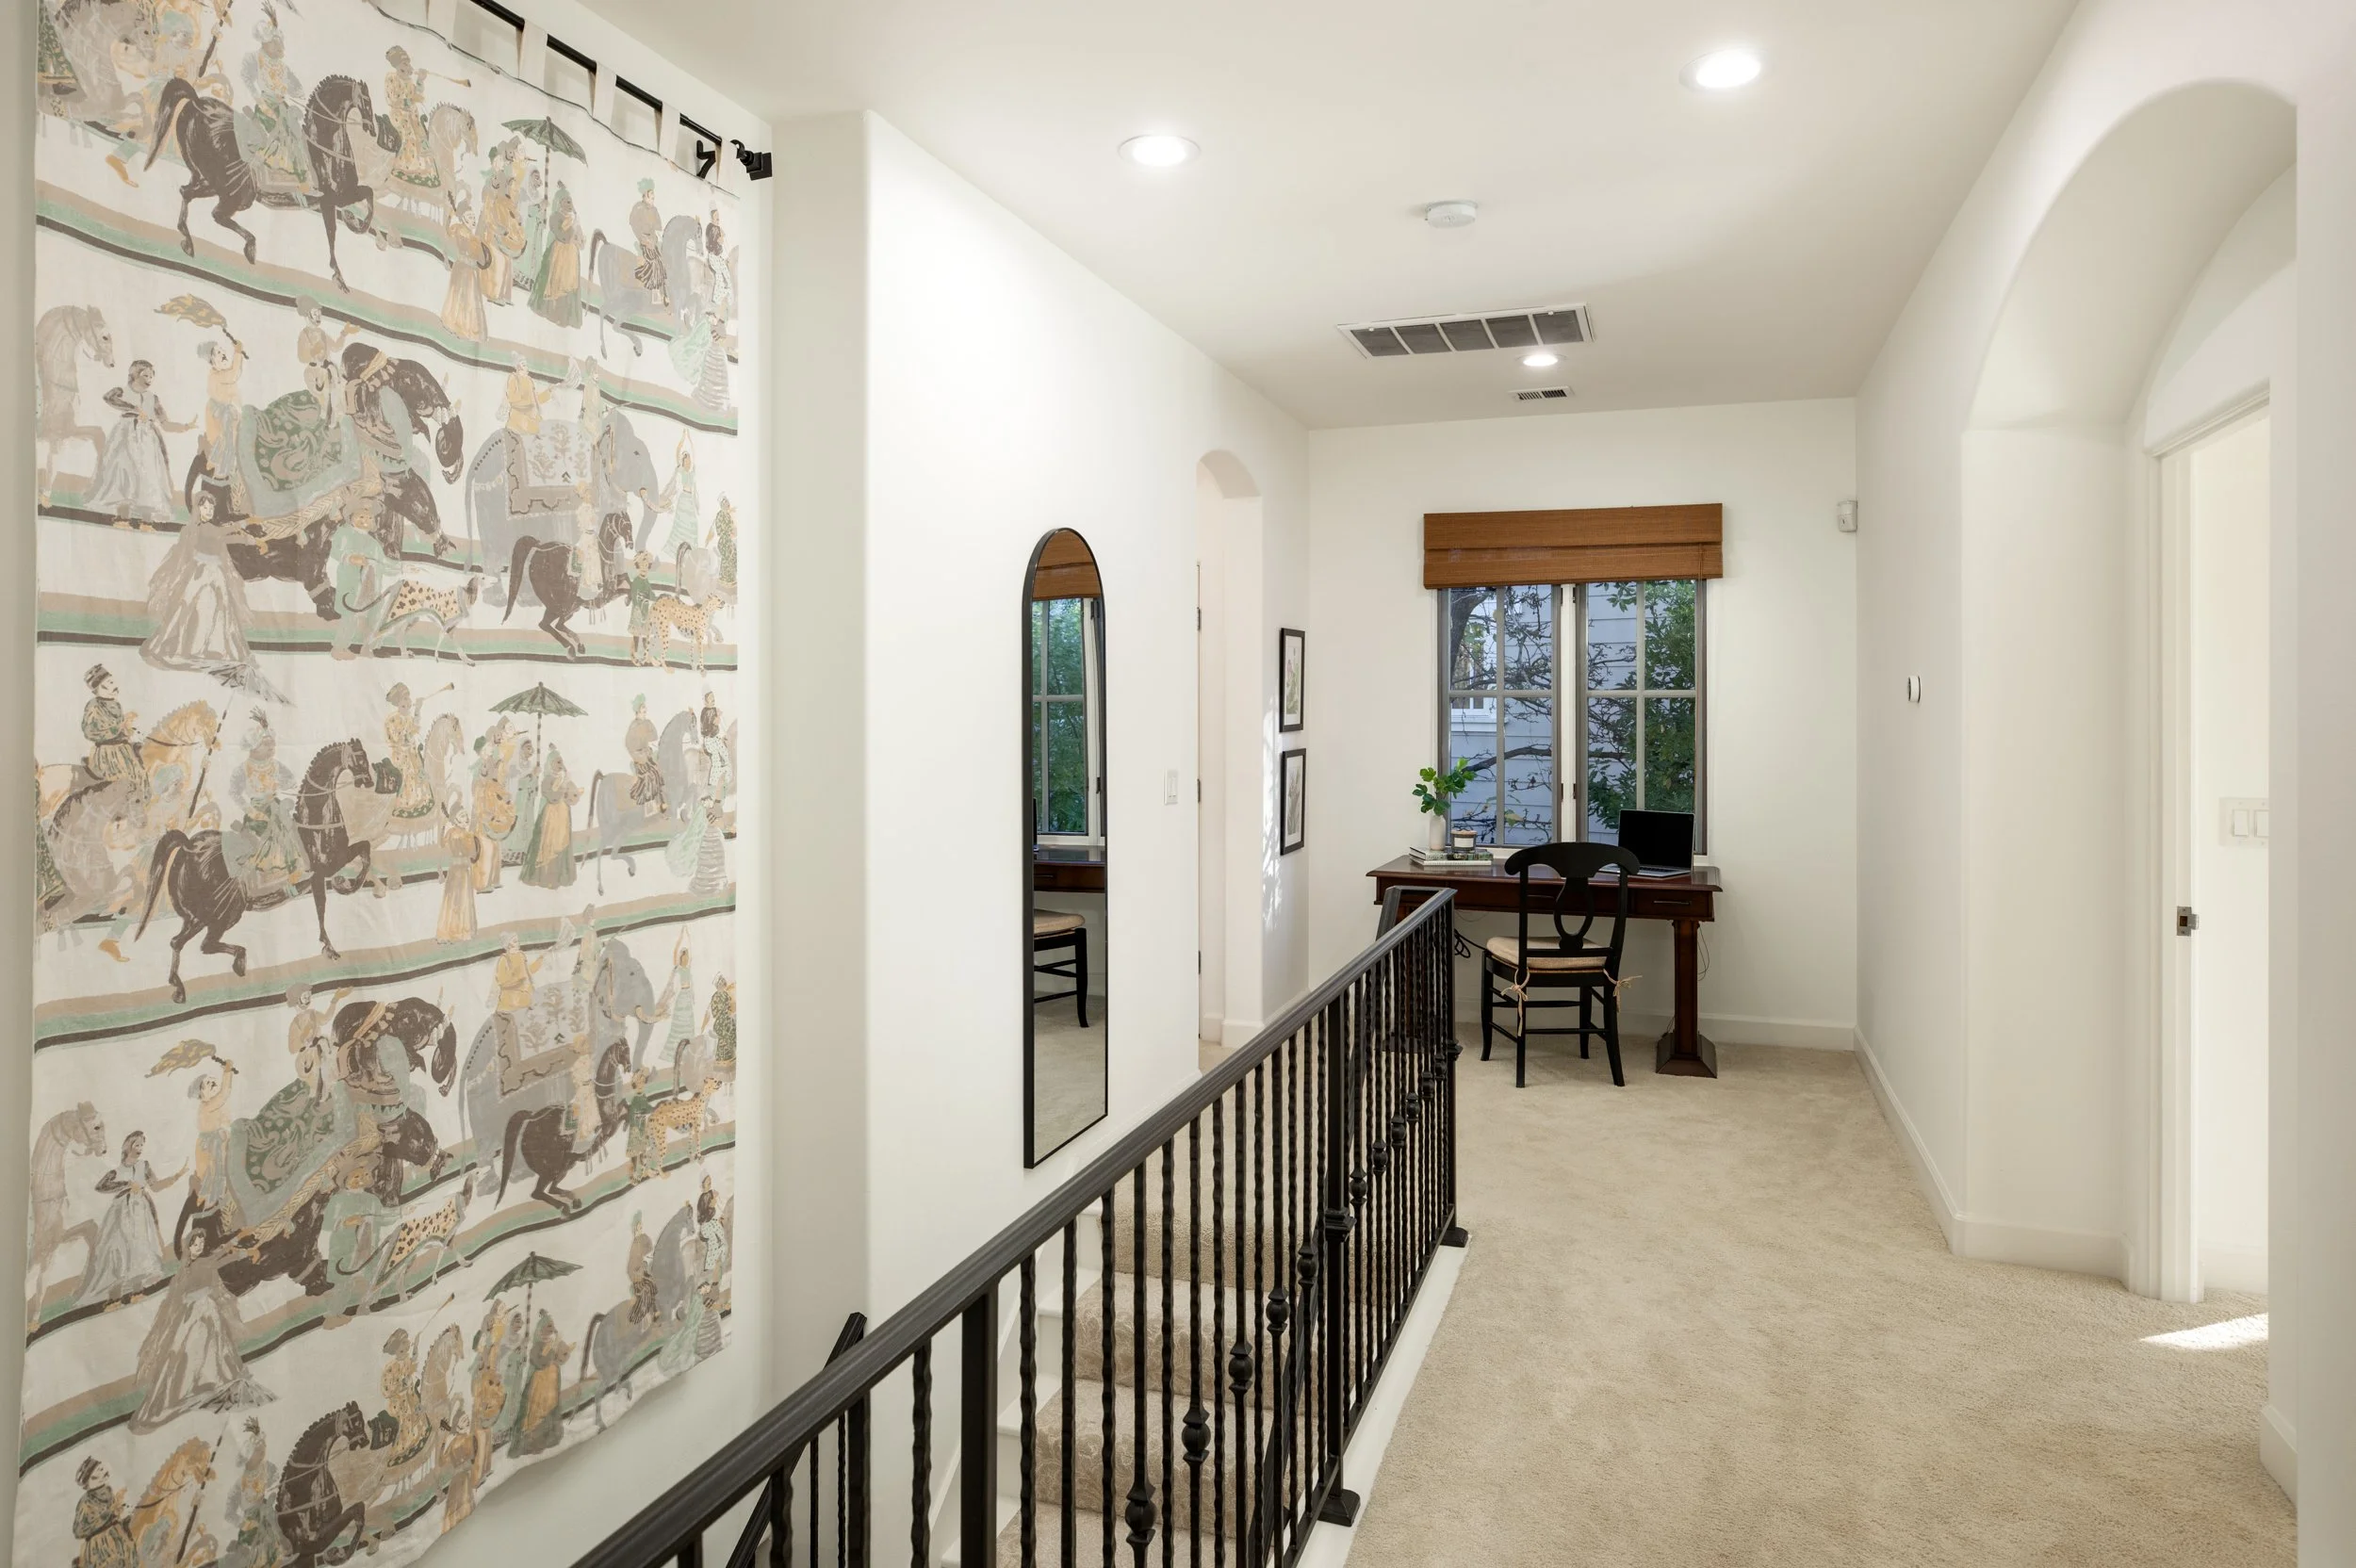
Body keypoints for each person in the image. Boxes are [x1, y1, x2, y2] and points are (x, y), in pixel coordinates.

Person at [129, 1228, 270, 1431]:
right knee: (179, 1352)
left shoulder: (204, 1262)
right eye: (196, 1244)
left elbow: (223, 1257)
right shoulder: (184, 1269)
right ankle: (175, 1395)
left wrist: (244, 1250)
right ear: (188, 1246)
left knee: (208, 1349)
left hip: (205, 1311)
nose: (199, 1247)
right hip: (189, 1314)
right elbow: (176, 1296)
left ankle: (203, 1384)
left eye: (201, 1244)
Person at [141, 486, 257, 677]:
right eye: (205, 508)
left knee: (223, 607)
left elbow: (224, 538)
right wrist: (244, 523)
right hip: (199, 570)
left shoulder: (210, 528)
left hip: (216, 570)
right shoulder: (197, 528)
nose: (209, 511)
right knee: (187, 605)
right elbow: (221, 533)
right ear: (197, 509)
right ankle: (178, 647)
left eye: (211, 508)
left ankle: (219, 649)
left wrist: (247, 539)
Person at [76, 1130, 181, 1306]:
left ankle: (137, 1291)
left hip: (140, 1211)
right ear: (129, 1146)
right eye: (137, 1144)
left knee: (140, 1248)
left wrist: (175, 1177)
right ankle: (114, 1297)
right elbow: (100, 1186)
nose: (139, 1148)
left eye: (141, 1145)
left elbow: (155, 1186)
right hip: (121, 1212)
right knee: (118, 1249)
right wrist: (125, 1184)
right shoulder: (117, 1171)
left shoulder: (144, 1166)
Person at [89, 359, 189, 529]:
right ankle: (122, 518)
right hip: (125, 436)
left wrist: (184, 427)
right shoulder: (122, 391)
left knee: (148, 476)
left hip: (146, 439)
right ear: (135, 374)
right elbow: (108, 397)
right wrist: (133, 408)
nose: (149, 379)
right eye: (145, 375)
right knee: (123, 472)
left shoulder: (153, 398)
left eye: (151, 376)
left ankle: (146, 521)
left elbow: (165, 422)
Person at [224, 712, 299, 900]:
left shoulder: (276, 765)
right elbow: (233, 792)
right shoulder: (243, 769)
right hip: (256, 811)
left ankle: (291, 877)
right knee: (267, 838)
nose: (272, 748)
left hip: (276, 807)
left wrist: (283, 786)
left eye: (272, 744)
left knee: (290, 834)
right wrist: (250, 811)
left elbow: (290, 780)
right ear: (254, 747)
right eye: (266, 744)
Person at [240, 11, 307, 190]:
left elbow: (297, 87)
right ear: (265, 42)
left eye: (280, 42)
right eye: (275, 42)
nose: (280, 46)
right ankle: (257, 162)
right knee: (276, 129)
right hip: (265, 103)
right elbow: (246, 77)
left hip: (281, 104)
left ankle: (301, 178)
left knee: (296, 133)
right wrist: (258, 98)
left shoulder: (283, 66)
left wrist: (298, 93)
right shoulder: (255, 58)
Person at [521, 746, 580, 889]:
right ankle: (546, 878)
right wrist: (561, 784)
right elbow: (552, 797)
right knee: (549, 846)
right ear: (551, 764)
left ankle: (560, 877)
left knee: (562, 843)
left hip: (563, 817)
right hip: (550, 818)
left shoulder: (565, 779)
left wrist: (569, 787)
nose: (560, 765)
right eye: (557, 762)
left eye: (561, 762)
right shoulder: (547, 779)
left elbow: (573, 796)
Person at [514, 1310, 571, 1456]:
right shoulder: (537, 1346)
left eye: (552, 1326)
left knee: (550, 1411)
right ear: (541, 1329)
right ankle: (532, 1440)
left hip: (551, 1383)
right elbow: (539, 1362)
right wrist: (551, 1350)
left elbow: (563, 1355)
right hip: (539, 1386)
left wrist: (558, 1347)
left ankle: (547, 1437)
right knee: (536, 1414)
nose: (551, 1329)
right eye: (548, 1326)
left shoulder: (554, 1343)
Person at [530, 184, 583, 328]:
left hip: (572, 257)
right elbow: (562, 236)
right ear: (560, 203)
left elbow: (581, 241)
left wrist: (579, 236)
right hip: (558, 255)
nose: (570, 205)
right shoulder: (555, 217)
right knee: (556, 284)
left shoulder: (575, 219)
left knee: (569, 286)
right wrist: (573, 228)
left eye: (571, 201)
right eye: (567, 201)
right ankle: (553, 314)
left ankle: (565, 317)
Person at [471, 722, 517, 891]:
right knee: (486, 848)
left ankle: (493, 879)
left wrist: (504, 795)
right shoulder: (480, 769)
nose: (491, 749)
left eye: (490, 748)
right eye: (488, 749)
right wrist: (483, 812)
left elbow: (495, 782)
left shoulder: (491, 763)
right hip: (484, 811)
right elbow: (477, 791)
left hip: (494, 807)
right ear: (482, 752)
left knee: (496, 847)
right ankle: (482, 883)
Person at [80, 666, 141, 792]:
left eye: (112, 682)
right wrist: (119, 727)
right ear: (97, 690)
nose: (113, 687)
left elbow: (119, 727)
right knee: (122, 783)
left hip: (123, 749)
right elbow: (90, 732)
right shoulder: (94, 706)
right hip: (107, 753)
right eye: (107, 685)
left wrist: (128, 729)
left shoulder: (116, 703)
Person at [441, 188, 491, 341]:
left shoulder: (473, 236)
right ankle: (459, 326)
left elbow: (482, 258)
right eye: (470, 217)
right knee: (462, 298)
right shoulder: (462, 231)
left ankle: (467, 328)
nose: (473, 220)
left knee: (470, 299)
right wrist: (450, 214)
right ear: (463, 219)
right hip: (463, 269)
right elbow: (449, 231)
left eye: (473, 216)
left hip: (471, 271)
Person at [70, 1457, 138, 1568]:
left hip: (118, 1538)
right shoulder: (86, 1501)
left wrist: (124, 1514)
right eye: (95, 1477)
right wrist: (112, 1513)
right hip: (100, 1546)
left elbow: (114, 1515)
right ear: (87, 1483)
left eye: (101, 1470)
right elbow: (79, 1531)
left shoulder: (108, 1491)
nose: (101, 1477)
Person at [438, 808, 479, 941]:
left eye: (466, 815)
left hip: (453, 869)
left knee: (451, 899)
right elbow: (473, 853)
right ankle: (462, 931)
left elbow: (441, 844)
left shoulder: (450, 832)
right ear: (456, 819)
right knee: (463, 900)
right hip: (463, 870)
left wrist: (443, 825)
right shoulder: (467, 835)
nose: (466, 818)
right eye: (462, 816)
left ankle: (449, 931)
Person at [661, 437, 700, 566]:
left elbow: (695, 453)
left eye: (689, 460)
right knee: (681, 528)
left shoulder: (692, 473)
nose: (688, 462)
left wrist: (691, 440)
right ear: (683, 462)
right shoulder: (680, 471)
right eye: (686, 460)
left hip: (690, 502)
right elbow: (678, 451)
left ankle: (690, 556)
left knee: (692, 527)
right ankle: (678, 556)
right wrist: (684, 439)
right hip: (683, 500)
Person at [628, 177, 666, 302]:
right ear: (645, 195)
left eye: (653, 194)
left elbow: (658, 227)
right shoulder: (638, 208)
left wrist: (656, 238)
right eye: (651, 195)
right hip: (643, 241)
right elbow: (634, 225)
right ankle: (651, 293)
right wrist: (644, 239)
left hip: (653, 242)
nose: (653, 197)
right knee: (654, 262)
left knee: (662, 261)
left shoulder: (654, 210)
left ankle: (663, 293)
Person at [625, 694, 664, 815]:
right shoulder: (633, 725)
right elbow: (629, 743)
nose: (645, 709)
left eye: (645, 707)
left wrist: (648, 738)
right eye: (643, 708)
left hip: (648, 754)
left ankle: (660, 802)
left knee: (658, 770)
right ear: (637, 710)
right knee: (650, 775)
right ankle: (647, 806)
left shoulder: (647, 722)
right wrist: (639, 754)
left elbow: (654, 736)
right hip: (639, 757)